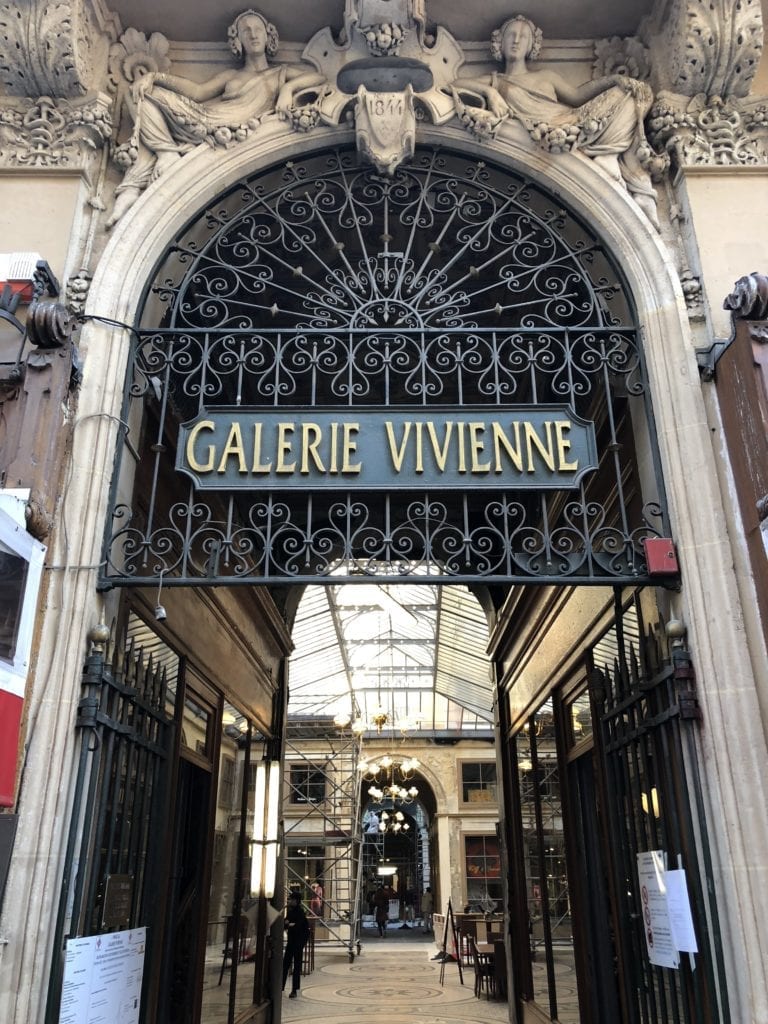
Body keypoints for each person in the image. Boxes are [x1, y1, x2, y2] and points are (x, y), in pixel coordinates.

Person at [108, 9, 326, 225]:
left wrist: (288, 88)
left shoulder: (281, 72)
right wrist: (154, 77)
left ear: (269, 35)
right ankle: (166, 153)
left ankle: (140, 178)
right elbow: (198, 92)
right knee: (137, 92)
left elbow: (319, 76)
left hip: (232, 130)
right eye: (246, 30)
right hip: (207, 120)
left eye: (258, 29)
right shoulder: (232, 75)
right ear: (237, 40)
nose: (253, 34)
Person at [451, 14, 658, 228]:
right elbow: (456, 83)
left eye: (523, 36)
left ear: (532, 45)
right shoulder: (496, 81)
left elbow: (577, 97)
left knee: (629, 96)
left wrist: (613, 80)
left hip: (570, 122)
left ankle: (611, 156)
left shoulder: (546, 75)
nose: (516, 41)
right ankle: (608, 156)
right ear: (498, 43)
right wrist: (490, 92)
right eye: (511, 35)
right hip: (542, 132)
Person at [282, 892, 310, 998]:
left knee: (296, 965)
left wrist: (289, 924)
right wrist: (288, 924)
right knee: (286, 964)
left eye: (292, 900)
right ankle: (281, 986)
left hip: (298, 942)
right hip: (291, 941)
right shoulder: (290, 911)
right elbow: (286, 923)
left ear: (297, 901)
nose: (290, 901)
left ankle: (294, 989)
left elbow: (297, 926)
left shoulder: (300, 912)